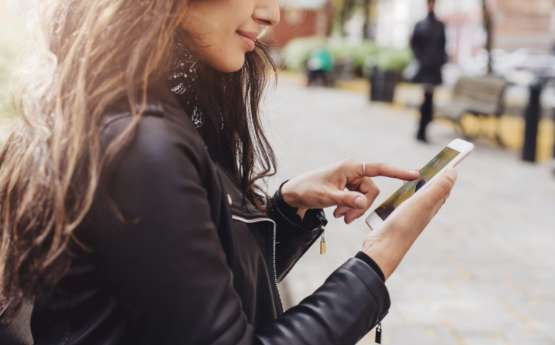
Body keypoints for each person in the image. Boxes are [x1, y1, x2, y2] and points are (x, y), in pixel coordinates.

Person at [0, 0, 458, 344]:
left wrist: (286, 210)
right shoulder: (141, 143)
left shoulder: (116, 109)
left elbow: (180, 294)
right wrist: (376, 262)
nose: (272, 13)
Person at [410, 0, 448, 143]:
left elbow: (443, 45)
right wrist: (421, 59)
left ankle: (423, 128)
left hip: (434, 69)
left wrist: (440, 60)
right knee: (426, 99)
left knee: (429, 99)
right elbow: (414, 44)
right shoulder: (420, 25)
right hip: (424, 68)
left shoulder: (440, 25)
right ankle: (421, 129)